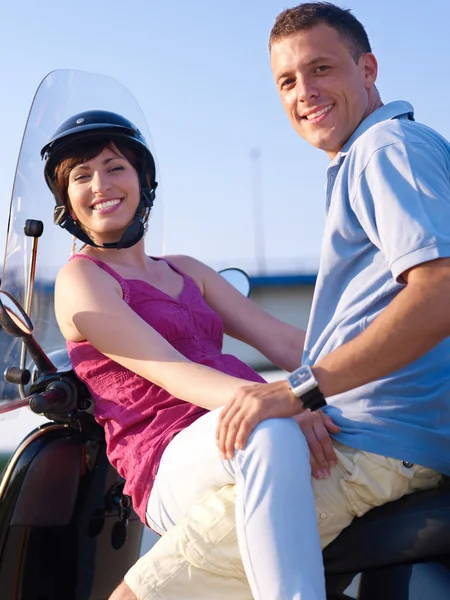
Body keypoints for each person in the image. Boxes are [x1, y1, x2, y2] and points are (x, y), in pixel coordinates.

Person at [112, 2, 450, 599]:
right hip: (376, 440)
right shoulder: (371, 157)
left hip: (367, 446)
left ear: (367, 69)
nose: (304, 92)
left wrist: (295, 390)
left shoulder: (385, 149)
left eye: (321, 69)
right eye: (287, 81)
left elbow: (439, 291)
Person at [41, 109, 341, 600]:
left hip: (236, 424)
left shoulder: (186, 269)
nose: (101, 183)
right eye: (81, 175)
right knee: (267, 431)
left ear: (143, 180)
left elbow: (289, 344)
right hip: (165, 456)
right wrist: (286, 399)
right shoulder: (81, 280)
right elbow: (173, 371)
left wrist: (383, 368)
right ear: (66, 202)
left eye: (115, 167)